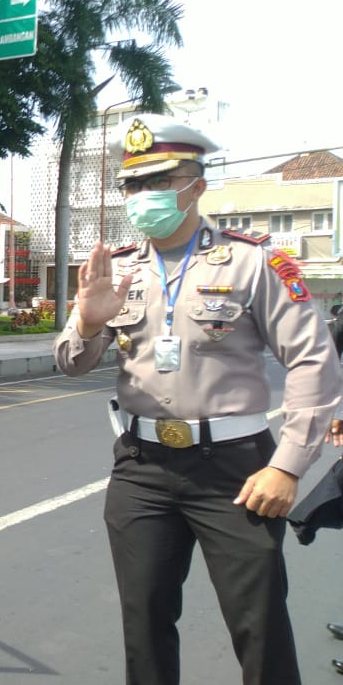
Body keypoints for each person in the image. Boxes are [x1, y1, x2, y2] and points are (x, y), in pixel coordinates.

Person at [54, 113, 343, 685]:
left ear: (197, 185)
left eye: (159, 181)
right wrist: (87, 322)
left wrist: (287, 467)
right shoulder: (119, 271)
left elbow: (314, 361)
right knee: (145, 627)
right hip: (141, 468)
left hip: (235, 473)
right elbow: (70, 361)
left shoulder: (254, 261)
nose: (144, 196)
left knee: (258, 627)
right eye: (133, 184)